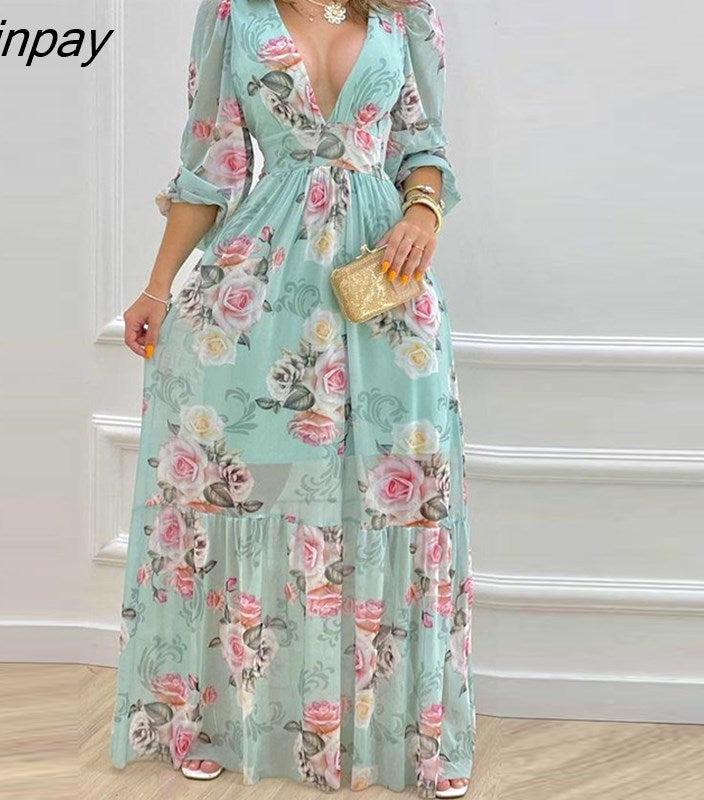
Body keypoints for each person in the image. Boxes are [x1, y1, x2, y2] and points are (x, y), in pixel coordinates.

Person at [108, 0, 475, 796]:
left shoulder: (406, 16)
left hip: (385, 285)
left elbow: (424, 146)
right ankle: (218, 718)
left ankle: (403, 734)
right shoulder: (235, 15)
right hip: (262, 284)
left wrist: (422, 208)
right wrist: (158, 288)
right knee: (247, 489)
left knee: (398, 496)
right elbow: (212, 162)